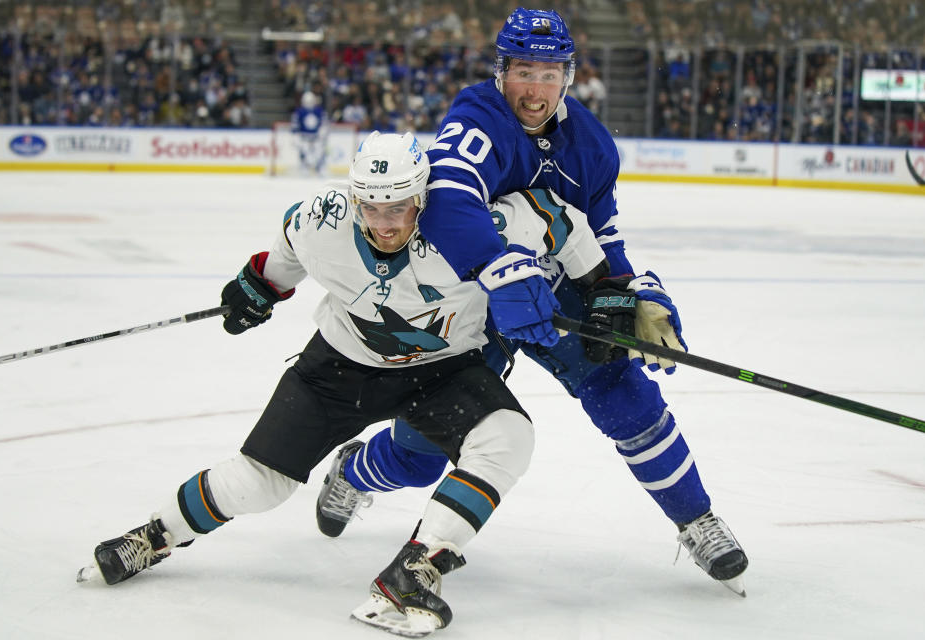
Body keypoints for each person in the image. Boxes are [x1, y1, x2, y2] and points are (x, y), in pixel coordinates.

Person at [76, 131, 611, 635]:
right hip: (339, 367)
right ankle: (155, 535)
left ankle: (415, 569)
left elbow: (556, 218)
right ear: (355, 198)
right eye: (372, 207)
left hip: (444, 370)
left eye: (398, 208)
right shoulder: (320, 219)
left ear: (422, 199)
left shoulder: (473, 222)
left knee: (509, 437)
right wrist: (255, 286)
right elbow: (281, 261)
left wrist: (601, 289)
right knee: (259, 485)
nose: (384, 223)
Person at [314, 7, 750, 596]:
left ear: (568, 77)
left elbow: (603, 230)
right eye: (524, 71)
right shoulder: (478, 116)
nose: (536, 88)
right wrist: (501, 269)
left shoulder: (591, 143)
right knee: (420, 452)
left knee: (625, 395)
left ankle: (695, 519)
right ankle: (356, 470)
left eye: (550, 74)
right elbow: (447, 198)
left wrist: (623, 291)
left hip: (553, 289)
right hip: (472, 294)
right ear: (502, 71)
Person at [291, 90, 328, 174]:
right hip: (304, 138)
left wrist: (323, 131)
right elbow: (295, 126)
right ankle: (304, 166)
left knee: (320, 152)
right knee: (304, 152)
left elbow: (324, 123)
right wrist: (295, 136)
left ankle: (320, 167)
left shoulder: (319, 111)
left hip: (316, 137)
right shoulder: (299, 112)